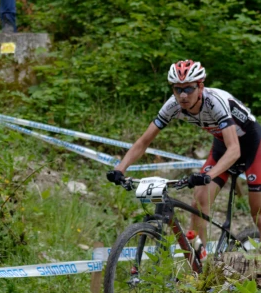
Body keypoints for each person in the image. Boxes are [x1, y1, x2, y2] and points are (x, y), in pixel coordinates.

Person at [107, 60, 261, 261]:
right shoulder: (173, 105)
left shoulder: (215, 102)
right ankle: (202, 264)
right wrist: (121, 168)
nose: (183, 95)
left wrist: (208, 175)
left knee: (257, 211)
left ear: (200, 87)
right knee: (200, 198)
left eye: (189, 88)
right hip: (222, 145)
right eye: (177, 89)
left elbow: (235, 150)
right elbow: (144, 141)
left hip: (252, 146)